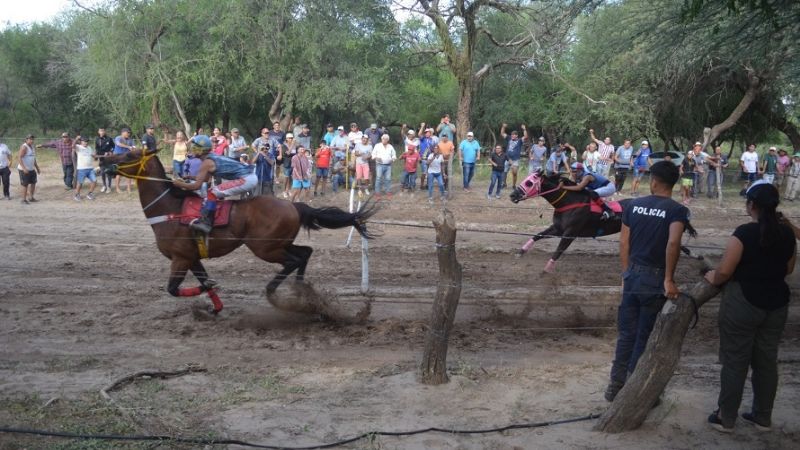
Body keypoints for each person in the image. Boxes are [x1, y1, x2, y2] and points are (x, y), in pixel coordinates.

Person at [704, 181, 795, 433]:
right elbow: (788, 269)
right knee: (766, 361)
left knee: (735, 360)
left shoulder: (743, 233)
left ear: (751, 205)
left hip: (743, 302)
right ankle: (762, 416)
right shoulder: (787, 233)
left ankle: (726, 417)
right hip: (777, 303)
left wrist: (713, 276)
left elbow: (724, 271)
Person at [604, 160, 689, 403]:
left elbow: (623, 243)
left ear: (653, 181)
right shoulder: (677, 211)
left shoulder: (634, 205)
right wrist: (669, 279)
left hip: (633, 274)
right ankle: (634, 388)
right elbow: (673, 243)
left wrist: (626, 273)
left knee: (627, 334)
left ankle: (615, 385)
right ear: (673, 183)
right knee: (645, 335)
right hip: (655, 278)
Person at [172, 135, 257, 235]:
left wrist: (178, 184)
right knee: (211, 191)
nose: (192, 150)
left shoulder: (207, 162)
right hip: (249, 176)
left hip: (247, 178)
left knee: (212, 193)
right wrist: (190, 177)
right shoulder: (208, 159)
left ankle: (206, 223)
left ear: (202, 150)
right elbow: (206, 179)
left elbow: (197, 186)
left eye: (195, 147)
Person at [500, 123, 528, 189]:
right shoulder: (509, 138)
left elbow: (526, 136)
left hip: (515, 159)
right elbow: (502, 133)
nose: (512, 135)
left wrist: (524, 129)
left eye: (514, 135)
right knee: (504, 172)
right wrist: (503, 127)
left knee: (514, 173)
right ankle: (504, 184)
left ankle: (514, 185)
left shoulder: (520, 140)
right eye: (512, 134)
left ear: (517, 136)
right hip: (507, 158)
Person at [73, 136, 97, 201]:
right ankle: (77, 195)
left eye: (86, 141)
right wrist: (76, 139)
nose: (85, 143)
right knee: (80, 183)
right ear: (81, 142)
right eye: (84, 141)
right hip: (81, 169)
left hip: (90, 168)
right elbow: (73, 146)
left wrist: (96, 156)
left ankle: (90, 193)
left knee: (94, 181)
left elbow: (93, 156)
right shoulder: (78, 147)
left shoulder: (89, 148)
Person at [17, 134, 40, 204]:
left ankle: (31, 197)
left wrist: (37, 167)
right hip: (24, 169)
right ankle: (23, 200)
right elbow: (19, 158)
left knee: (33, 183)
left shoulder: (32, 147)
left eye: (32, 139)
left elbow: (33, 158)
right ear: (26, 139)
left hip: (31, 169)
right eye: (30, 139)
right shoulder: (24, 147)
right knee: (25, 184)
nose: (32, 140)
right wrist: (24, 168)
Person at [372, 134, 396, 200]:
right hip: (379, 165)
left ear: (388, 140)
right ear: (381, 139)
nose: (384, 140)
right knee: (378, 179)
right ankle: (377, 193)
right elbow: (373, 154)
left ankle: (388, 192)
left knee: (388, 179)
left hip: (388, 165)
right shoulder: (377, 146)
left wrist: (392, 159)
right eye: (383, 138)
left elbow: (394, 155)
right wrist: (376, 158)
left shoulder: (390, 146)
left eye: (386, 139)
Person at [113, 128, 136, 193]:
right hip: (118, 158)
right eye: (127, 132)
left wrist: (133, 148)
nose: (128, 134)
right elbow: (118, 144)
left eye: (129, 133)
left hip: (127, 158)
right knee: (119, 173)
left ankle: (128, 188)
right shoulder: (118, 137)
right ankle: (117, 188)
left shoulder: (130, 140)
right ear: (123, 132)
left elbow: (134, 147)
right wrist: (128, 147)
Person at [95, 128, 115, 193]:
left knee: (108, 172)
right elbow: (96, 148)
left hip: (108, 158)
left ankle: (109, 187)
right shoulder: (97, 139)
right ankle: (104, 185)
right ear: (98, 132)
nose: (102, 132)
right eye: (101, 131)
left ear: (105, 131)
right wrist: (96, 156)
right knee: (102, 172)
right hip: (101, 158)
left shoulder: (109, 138)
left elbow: (113, 146)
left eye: (103, 131)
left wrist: (110, 151)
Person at [279, 133, 298, 198]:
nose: (291, 139)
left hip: (293, 163)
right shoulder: (283, 146)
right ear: (286, 139)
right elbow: (288, 153)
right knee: (286, 177)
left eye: (292, 138)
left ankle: (289, 190)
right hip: (287, 163)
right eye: (289, 138)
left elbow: (296, 153)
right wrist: (292, 144)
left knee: (291, 177)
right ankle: (284, 191)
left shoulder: (295, 145)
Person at [418, 125, 436, 190]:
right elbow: (419, 134)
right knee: (424, 172)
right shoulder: (423, 139)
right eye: (426, 132)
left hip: (430, 159)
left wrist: (434, 155)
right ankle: (421, 185)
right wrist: (422, 126)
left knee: (429, 173)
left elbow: (434, 149)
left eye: (428, 132)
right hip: (424, 159)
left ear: (430, 133)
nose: (427, 133)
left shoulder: (432, 140)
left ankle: (428, 185)